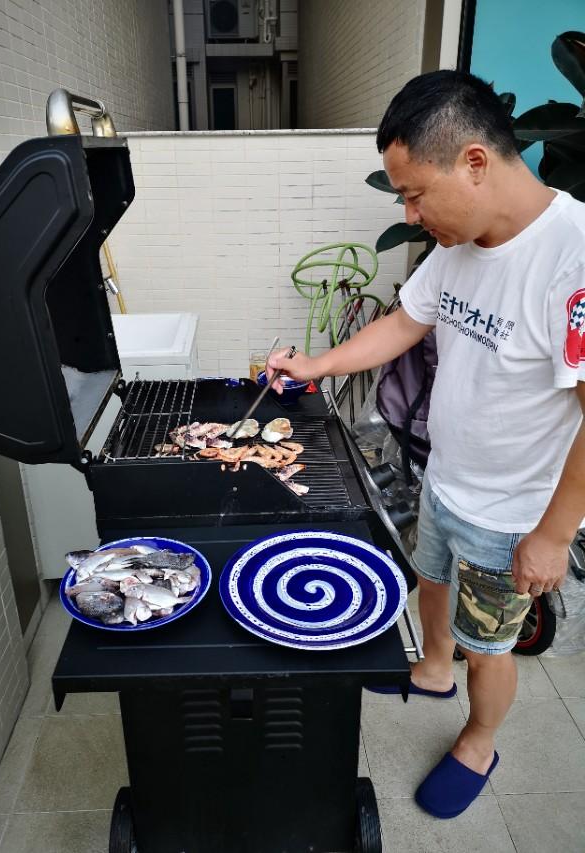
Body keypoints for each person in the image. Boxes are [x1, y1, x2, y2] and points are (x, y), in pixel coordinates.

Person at [267, 70, 585, 819]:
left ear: (474, 162)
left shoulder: (571, 260)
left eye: (414, 193)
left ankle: (478, 738)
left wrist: (553, 533)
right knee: (430, 583)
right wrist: (315, 366)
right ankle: (433, 668)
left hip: (514, 514)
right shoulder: (459, 246)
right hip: (446, 477)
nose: (409, 213)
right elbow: (404, 323)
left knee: (491, 645)